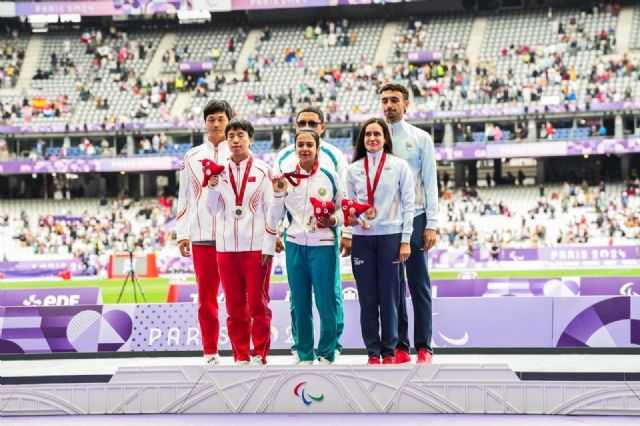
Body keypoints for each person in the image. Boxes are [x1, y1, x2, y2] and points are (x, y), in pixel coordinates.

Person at [366, 82, 438, 365]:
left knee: (418, 284)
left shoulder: (420, 139)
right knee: (392, 287)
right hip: (387, 223)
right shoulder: (373, 139)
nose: (389, 105)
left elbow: (430, 182)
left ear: (406, 104)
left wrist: (431, 223)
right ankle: (400, 345)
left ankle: (424, 346)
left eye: (394, 100)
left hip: (417, 217)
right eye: (384, 100)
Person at [274, 106, 348, 362]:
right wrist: (274, 231)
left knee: (327, 300)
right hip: (294, 241)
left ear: (318, 145)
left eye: (309, 144)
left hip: (324, 242)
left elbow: (344, 205)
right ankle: (303, 351)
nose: (304, 148)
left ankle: (329, 350)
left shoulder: (332, 167)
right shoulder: (284, 165)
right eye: (300, 144)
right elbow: (276, 204)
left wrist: (336, 222)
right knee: (299, 302)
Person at [206, 118, 275, 365]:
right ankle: (241, 356)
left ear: (251, 139)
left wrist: (269, 245)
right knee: (235, 308)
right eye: (231, 136)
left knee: (258, 305)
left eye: (241, 135)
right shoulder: (217, 172)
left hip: (256, 249)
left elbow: (272, 210)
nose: (235, 140)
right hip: (226, 249)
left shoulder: (264, 171)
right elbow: (212, 210)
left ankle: (260, 354)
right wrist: (211, 188)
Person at [345, 117, 415, 364]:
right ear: (362, 140)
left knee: (390, 298)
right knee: (367, 299)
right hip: (363, 240)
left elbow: (409, 204)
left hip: (390, 237)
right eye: (367, 135)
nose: (372, 139)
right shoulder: (353, 169)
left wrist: (405, 240)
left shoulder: (399, 166)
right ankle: (372, 352)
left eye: (377, 134)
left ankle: (389, 351)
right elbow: (349, 206)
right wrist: (354, 219)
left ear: (385, 138)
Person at [175, 99, 232, 365]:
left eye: (221, 118)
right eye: (211, 119)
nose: (217, 124)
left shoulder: (239, 153)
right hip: (202, 237)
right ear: (205, 123)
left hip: (234, 236)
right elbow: (184, 197)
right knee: (207, 300)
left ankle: (242, 352)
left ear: (229, 120)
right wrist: (182, 233)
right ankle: (210, 352)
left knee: (238, 300)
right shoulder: (193, 157)